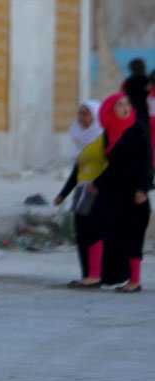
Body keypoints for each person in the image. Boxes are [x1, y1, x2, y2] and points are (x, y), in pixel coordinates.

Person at [73, 92, 153, 293]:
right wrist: (98, 183)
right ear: (110, 110)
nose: (125, 108)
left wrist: (143, 188)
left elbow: (147, 161)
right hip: (113, 191)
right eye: (119, 105)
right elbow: (115, 165)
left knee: (133, 236)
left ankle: (134, 282)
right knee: (95, 227)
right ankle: (94, 276)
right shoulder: (109, 132)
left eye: (127, 103)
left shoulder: (138, 128)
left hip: (135, 193)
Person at [54, 100, 107, 283]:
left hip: (97, 192)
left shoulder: (103, 137)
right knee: (81, 233)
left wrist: (101, 184)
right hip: (81, 191)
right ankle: (86, 274)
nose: (82, 118)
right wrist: (62, 194)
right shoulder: (81, 140)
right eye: (80, 114)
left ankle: (95, 275)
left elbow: (112, 165)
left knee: (94, 232)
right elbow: (77, 171)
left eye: (86, 114)